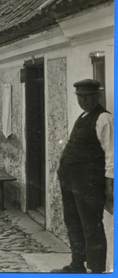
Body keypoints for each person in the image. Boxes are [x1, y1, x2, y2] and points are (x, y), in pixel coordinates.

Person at [53, 79, 113, 273]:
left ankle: (96, 270)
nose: (83, 101)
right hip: (71, 180)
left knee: (91, 224)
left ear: (97, 96)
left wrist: (109, 184)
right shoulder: (82, 117)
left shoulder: (104, 118)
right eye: (80, 97)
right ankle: (77, 264)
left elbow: (112, 153)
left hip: (89, 181)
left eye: (87, 97)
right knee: (72, 220)